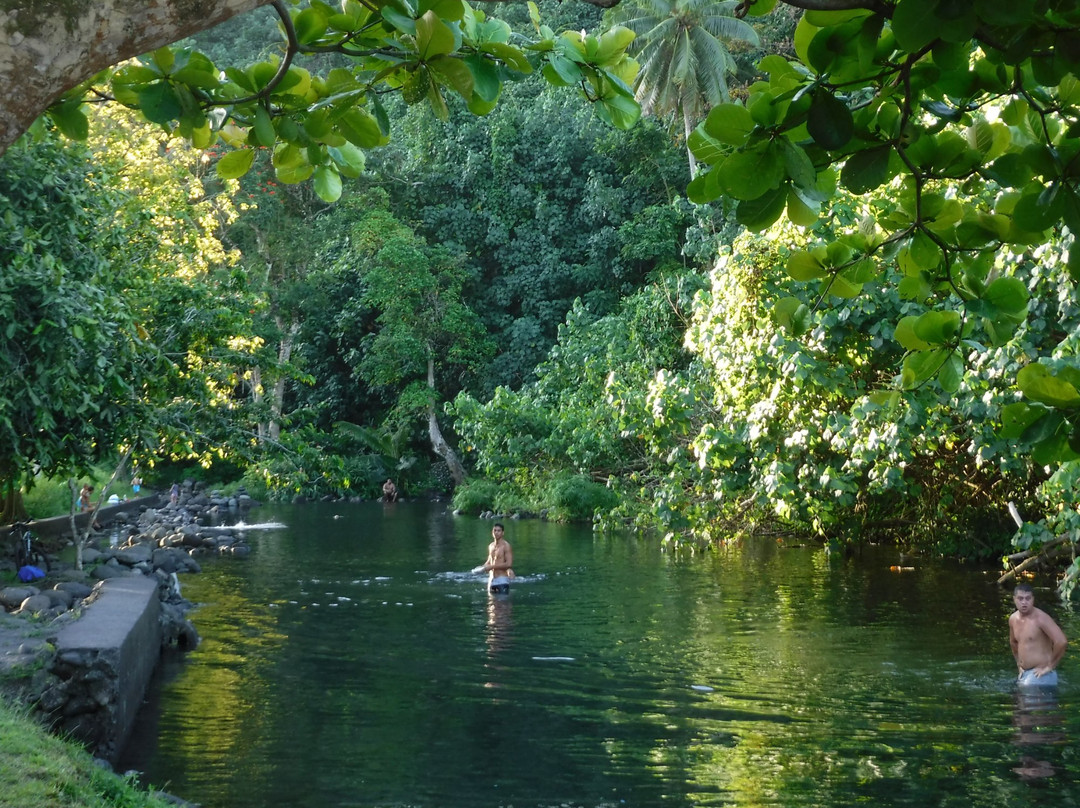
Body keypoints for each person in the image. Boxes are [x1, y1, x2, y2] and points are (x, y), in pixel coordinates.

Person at [1009, 583, 1067, 687]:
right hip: (1024, 674)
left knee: (1026, 701)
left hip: (1040, 675)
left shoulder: (1041, 618)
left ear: (1033, 599)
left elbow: (1061, 641)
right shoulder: (1013, 619)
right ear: (1014, 599)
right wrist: (1019, 663)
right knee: (1017, 701)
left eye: (1028, 598)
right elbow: (1013, 642)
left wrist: (1050, 666)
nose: (1024, 602)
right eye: (1020, 598)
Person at [479, 523, 515, 594]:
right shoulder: (490, 546)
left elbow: (509, 564)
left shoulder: (506, 546)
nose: (496, 532)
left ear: (503, 533)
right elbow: (489, 561)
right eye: (494, 530)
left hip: (502, 580)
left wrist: (491, 567)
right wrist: (481, 568)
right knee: (491, 604)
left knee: (502, 603)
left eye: (499, 531)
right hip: (491, 580)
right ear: (492, 532)